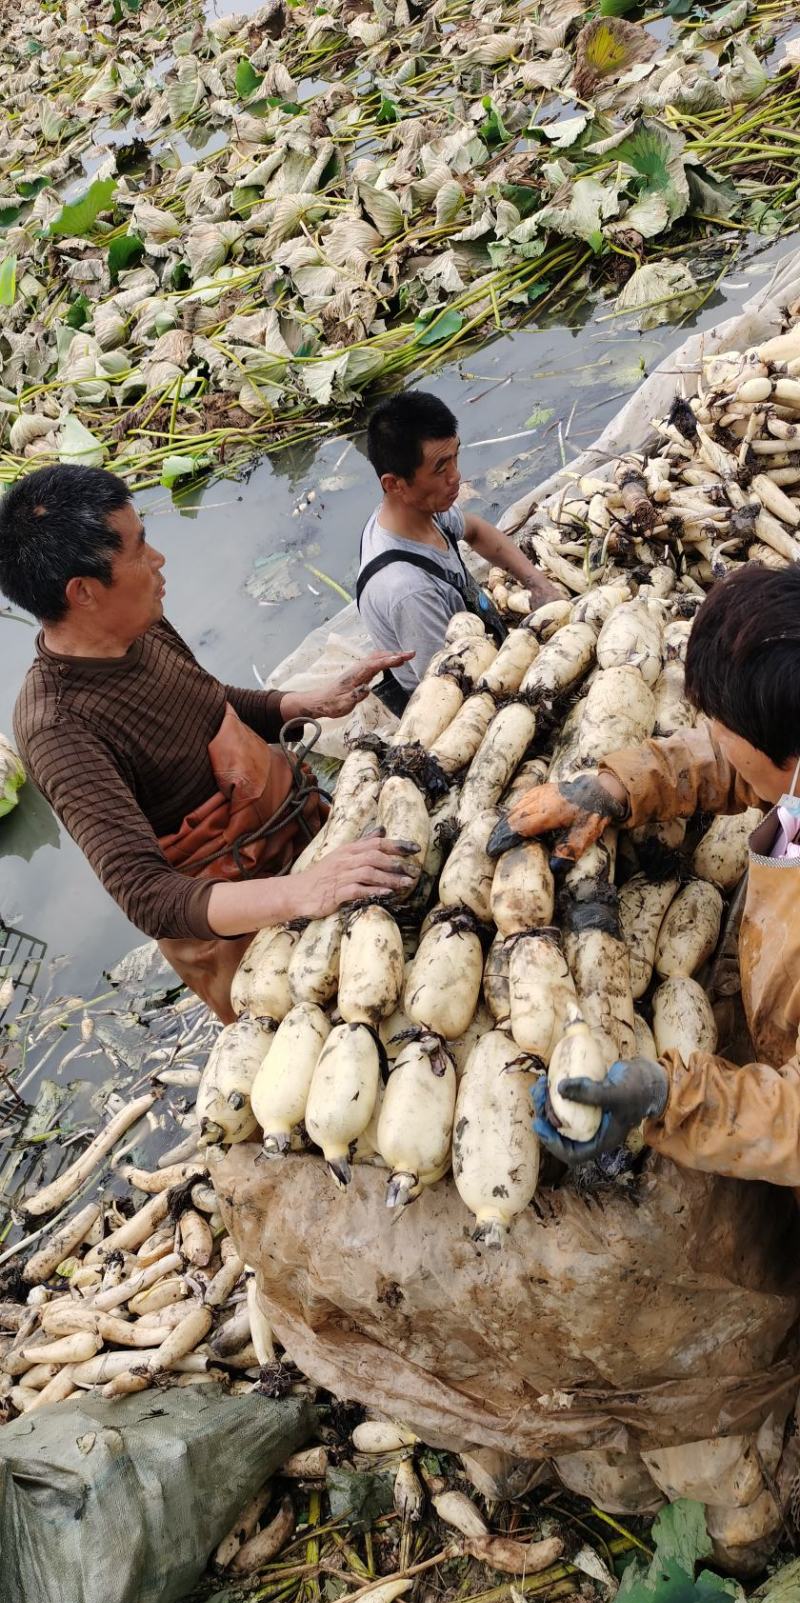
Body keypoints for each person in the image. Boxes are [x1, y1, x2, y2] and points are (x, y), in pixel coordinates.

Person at [0, 466, 417, 1022]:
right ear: (83, 592)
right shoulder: (58, 728)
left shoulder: (138, 622)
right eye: (139, 547)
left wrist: (303, 703)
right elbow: (146, 894)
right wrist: (304, 892)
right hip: (250, 931)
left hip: (309, 837)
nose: (158, 560)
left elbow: (205, 700)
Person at [501, 562, 800, 1188]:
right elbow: (727, 761)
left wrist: (670, 1098)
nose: (714, 737)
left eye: (726, 726)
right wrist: (612, 786)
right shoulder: (782, 764)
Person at [357, 390, 562, 712]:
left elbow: (477, 531)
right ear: (394, 484)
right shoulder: (408, 592)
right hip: (455, 700)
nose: (456, 476)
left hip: (482, 649)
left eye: (455, 456)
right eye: (440, 468)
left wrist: (536, 583)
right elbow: (450, 689)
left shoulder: (424, 509)